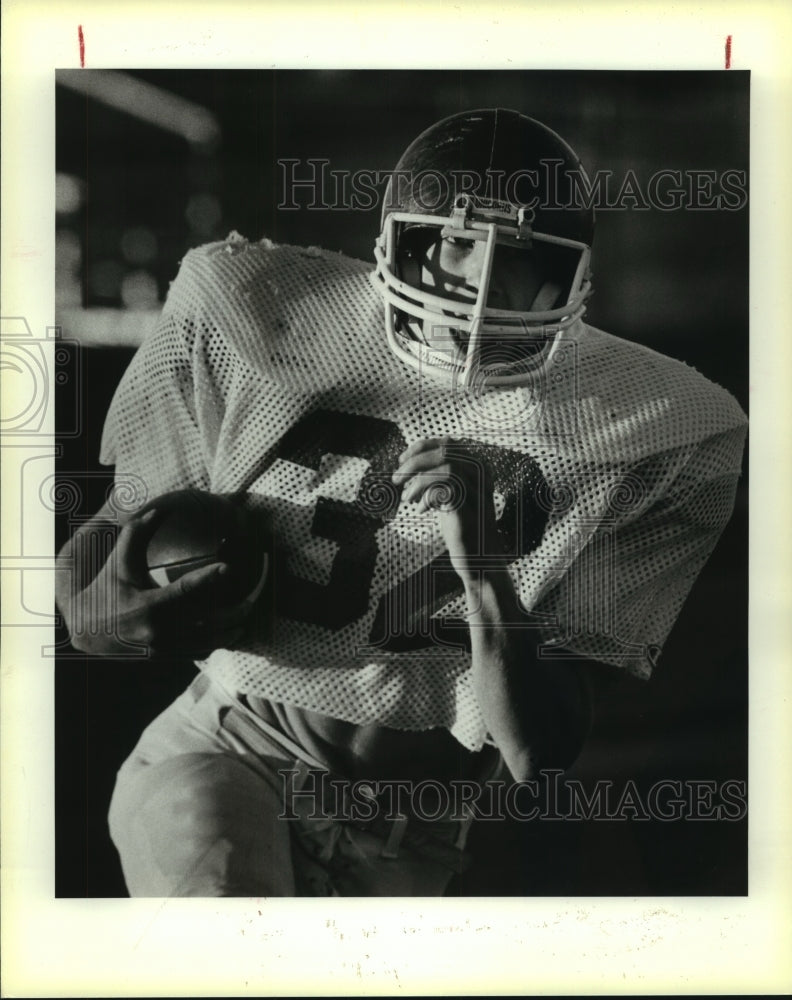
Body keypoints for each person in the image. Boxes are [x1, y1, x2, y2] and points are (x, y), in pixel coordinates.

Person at [55, 109, 747, 897]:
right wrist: (88, 608)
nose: (481, 285)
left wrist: (486, 572)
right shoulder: (256, 305)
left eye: (516, 254)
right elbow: (118, 520)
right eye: (457, 243)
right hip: (228, 750)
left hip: (411, 831)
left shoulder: (657, 427)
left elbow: (538, 752)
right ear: (402, 241)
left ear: (572, 276)